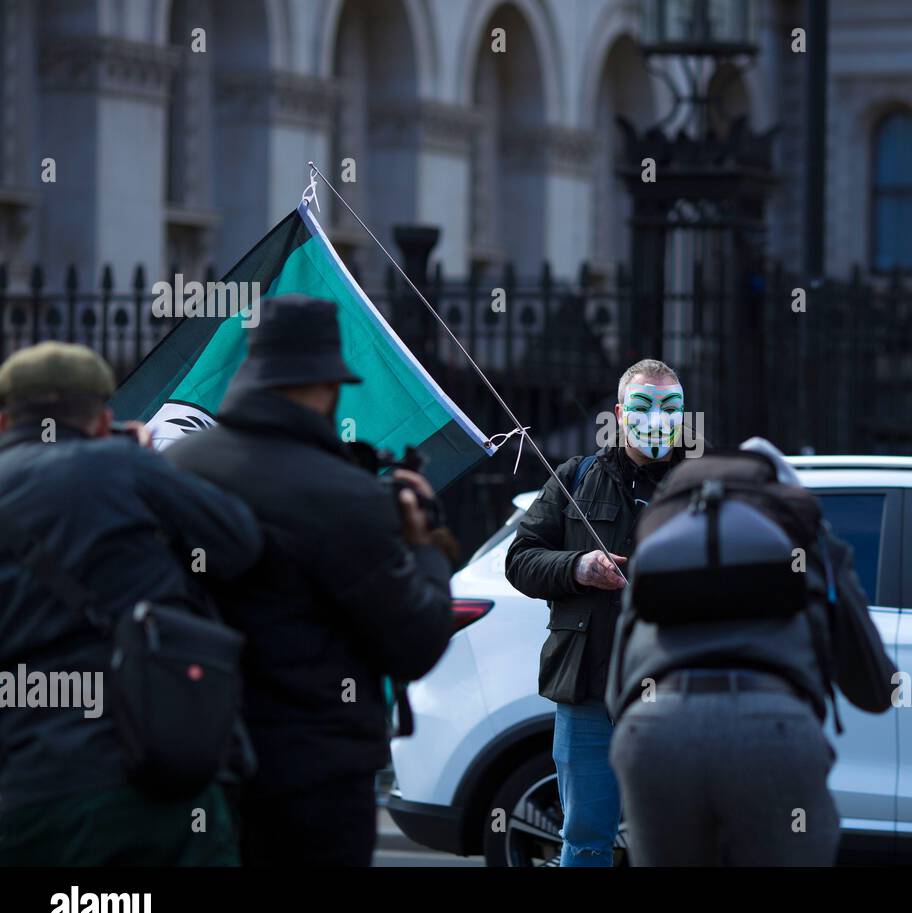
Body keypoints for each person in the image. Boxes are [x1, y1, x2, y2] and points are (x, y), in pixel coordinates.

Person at [165, 295, 456, 867]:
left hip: (193, 761)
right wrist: (423, 545)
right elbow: (416, 640)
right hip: (313, 781)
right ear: (325, 386)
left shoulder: (178, 467)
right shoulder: (342, 494)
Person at [0, 342, 262, 865]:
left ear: (5, 421)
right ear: (103, 419)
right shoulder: (127, 467)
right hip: (148, 772)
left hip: (22, 785)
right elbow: (239, 544)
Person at [604, 438, 896, 866]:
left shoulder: (661, 535)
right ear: (784, 497)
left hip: (652, 735)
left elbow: (616, 693)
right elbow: (875, 689)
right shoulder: (807, 540)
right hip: (773, 731)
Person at [505, 358, 690, 866]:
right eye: (643, 405)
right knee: (585, 835)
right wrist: (579, 566)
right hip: (588, 689)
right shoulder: (575, 479)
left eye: (671, 407)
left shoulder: (702, 486)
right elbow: (520, 559)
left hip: (673, 692)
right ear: (618, 412)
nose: (657, 418)